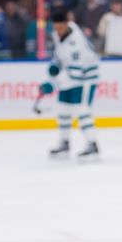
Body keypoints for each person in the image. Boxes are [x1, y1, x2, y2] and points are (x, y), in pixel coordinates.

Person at [39, 8, 101, 158]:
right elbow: (60, 55)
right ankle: (64, 143)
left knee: (82, 110)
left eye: (60, 28)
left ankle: (92, 144)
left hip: (85, 78)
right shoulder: (56, 34)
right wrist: (55, 64)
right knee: (63, 109)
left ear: (67, 24)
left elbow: (75, 73)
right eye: (55, 28)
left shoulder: (76, 41)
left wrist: (53, 84)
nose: (58, 31)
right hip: (69, 76)